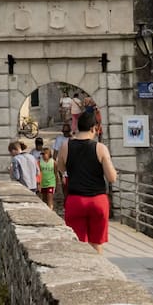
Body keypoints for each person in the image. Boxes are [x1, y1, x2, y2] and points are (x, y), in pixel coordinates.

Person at [57, 108, 117, 252]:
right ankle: (98, 273)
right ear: (93, 128)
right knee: (96, 244)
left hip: (76, 200)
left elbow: (61, 168)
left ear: (78, 127)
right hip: (97, 200)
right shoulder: (100, 148)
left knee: (77, 245)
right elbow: (111, 177)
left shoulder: (66, 146)